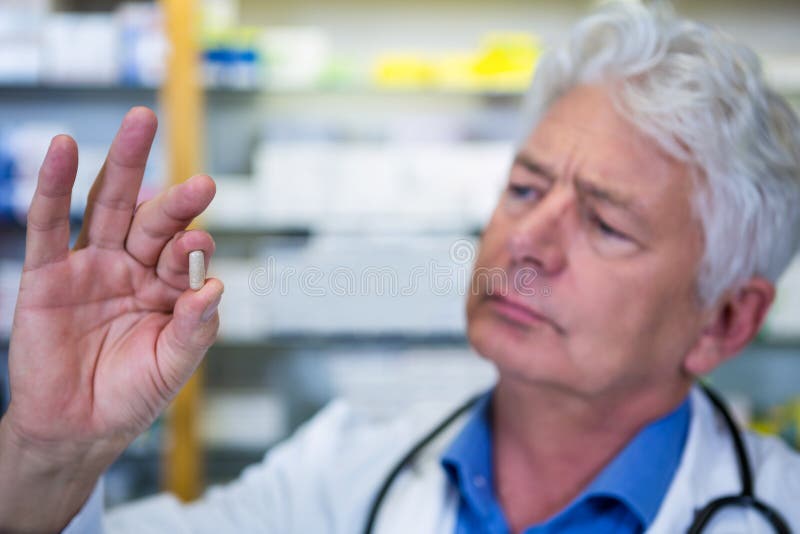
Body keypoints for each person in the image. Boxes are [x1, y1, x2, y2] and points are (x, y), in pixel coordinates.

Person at [2, 2, 800, 533]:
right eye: (525, 187)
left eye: (605, 222)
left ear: (726, 319)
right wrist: (51, 456)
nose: (526, 241)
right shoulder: (347, 465)